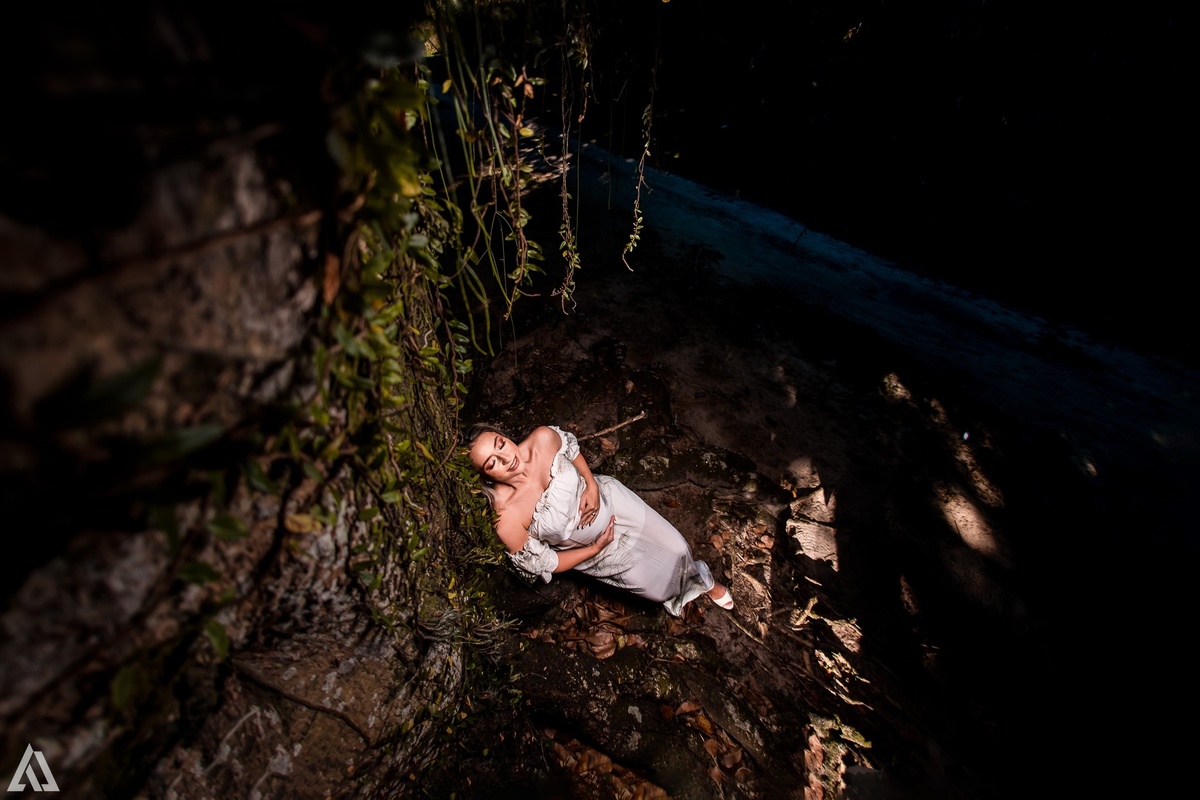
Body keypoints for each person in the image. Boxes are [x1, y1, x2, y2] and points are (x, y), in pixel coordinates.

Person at [464, 422, 734, 617]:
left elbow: (570, 451)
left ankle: (708, 584)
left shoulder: (542, 438)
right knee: (656, 589)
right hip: (596, 553)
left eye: (500, 444)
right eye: (492, 463)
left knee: (677, 547)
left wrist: (590, 483)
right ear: (486, 476)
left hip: (614, 504)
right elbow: (548, 562)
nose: (506, 458)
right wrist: (594, 548)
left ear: (503, 435)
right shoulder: (505, 518)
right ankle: (678, 594)